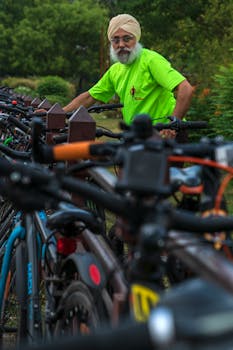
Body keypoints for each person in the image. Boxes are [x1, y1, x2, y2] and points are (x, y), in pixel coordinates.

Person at [63, 14, 193, 139]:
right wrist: (59, 114)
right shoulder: (115, 70)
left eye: (127, 39)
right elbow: (89, 97)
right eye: (115, 40)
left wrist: (173, 124)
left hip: (165, 134)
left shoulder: (151, 61)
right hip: (137, 135)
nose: (121, 45)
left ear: (136, 39)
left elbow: (185, 88)